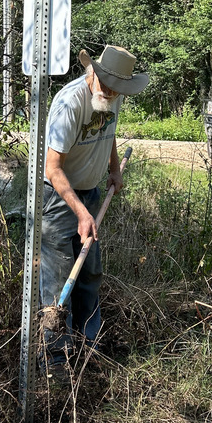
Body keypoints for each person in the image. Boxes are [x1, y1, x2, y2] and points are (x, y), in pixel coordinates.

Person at [40, 45, 149, 374]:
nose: (113, 94)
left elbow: (108, 132)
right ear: (95, 74)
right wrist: (80, 212)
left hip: (91, 194)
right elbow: (52, 169)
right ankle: (56, 361)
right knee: (59, 280)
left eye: (118, 90)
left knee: (89, 275)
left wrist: (114, 168)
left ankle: (89, 349)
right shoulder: (70, 104)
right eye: (108, 86)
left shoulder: (111, 97)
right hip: (60, 200)